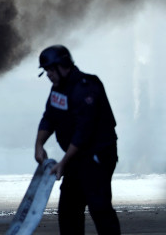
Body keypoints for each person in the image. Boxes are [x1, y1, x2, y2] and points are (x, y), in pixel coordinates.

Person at [34, 44, 121, 235]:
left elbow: (84, 132)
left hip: (97, 156)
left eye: (50, 69)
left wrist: (64, 162)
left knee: (99, 207)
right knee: (69, 210)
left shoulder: (86, 87)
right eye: (45, 70)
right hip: (76, 158)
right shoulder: (58, 89)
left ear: (63, 65)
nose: (48, 74)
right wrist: (39, 145)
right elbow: (49, 117)